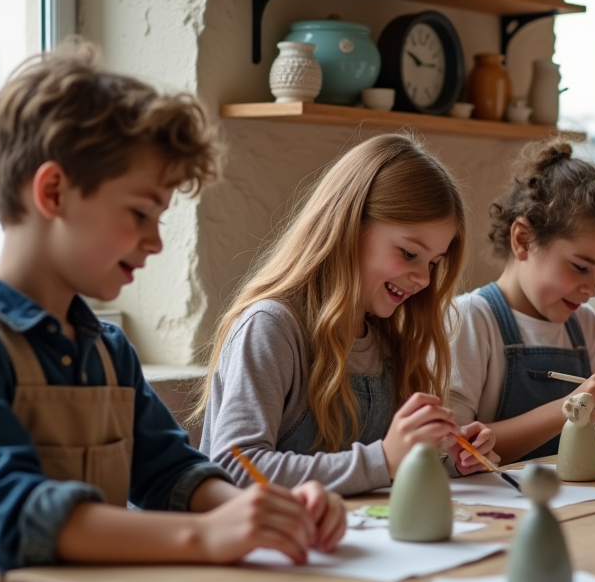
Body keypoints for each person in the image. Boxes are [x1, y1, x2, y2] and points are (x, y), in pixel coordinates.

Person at [0, 40, 360, 582]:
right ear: (53, 190)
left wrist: (259, 510)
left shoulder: (106, 351)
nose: (156, 241)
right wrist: (205, 539)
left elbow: (170, 470)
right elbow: (13, 514)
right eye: (140, 213)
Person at [199, 134, 497, 493]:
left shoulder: (388, 338)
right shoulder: (271, 327)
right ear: (349, 227)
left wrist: (447, 457)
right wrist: (384, 459)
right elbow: (234, 468)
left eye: (434, 263)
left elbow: (381, 471)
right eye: (408, 253)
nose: (423, 279)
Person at [447, 140, 595, 463]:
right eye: (581, 267)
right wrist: (570, 408)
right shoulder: (470, 318)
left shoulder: (586, 325)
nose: (592, 290)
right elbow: (453, 449)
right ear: (523, 239)